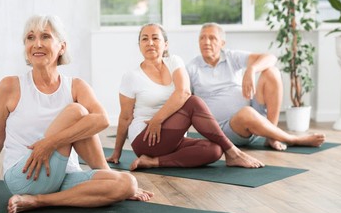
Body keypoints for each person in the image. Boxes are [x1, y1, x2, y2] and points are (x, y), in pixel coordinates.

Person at [0, 15, 153, 213]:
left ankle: (40, 201)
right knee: (77, 112)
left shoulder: (76, 86)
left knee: (128, 183)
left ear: (62, 47)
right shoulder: (10, 86)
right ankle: (37, 194)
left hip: (64, 176)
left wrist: (49, 143)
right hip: (25, 175)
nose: (37, 44)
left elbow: (102, 119)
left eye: (46, 37)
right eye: (30, 38)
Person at [106, 23, 264, 171]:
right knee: (193, 102)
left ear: (165, 44)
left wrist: (158, 119)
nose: (150, 43)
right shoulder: (131, 76)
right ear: (140, 45)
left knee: (214, 150)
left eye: (155, 38)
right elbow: (125, 117)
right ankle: (234, 152)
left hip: (172, 137)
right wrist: (116, 153)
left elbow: (184, 91)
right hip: (146, 138)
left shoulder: (174, 61)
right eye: (144, 39)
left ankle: (153, 162)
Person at [186, 23, 325, 151]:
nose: (206, 42)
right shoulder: (192, 68)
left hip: (253, 114)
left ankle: (272, 135)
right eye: (202, 38)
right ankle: (294, 139)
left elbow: (271, 58)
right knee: (245, 113)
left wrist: (251, 69)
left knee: (272, 72)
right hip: (224, 129)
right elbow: (184, 101)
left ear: (222, 43)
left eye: (212, 38)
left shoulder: (231, 57)